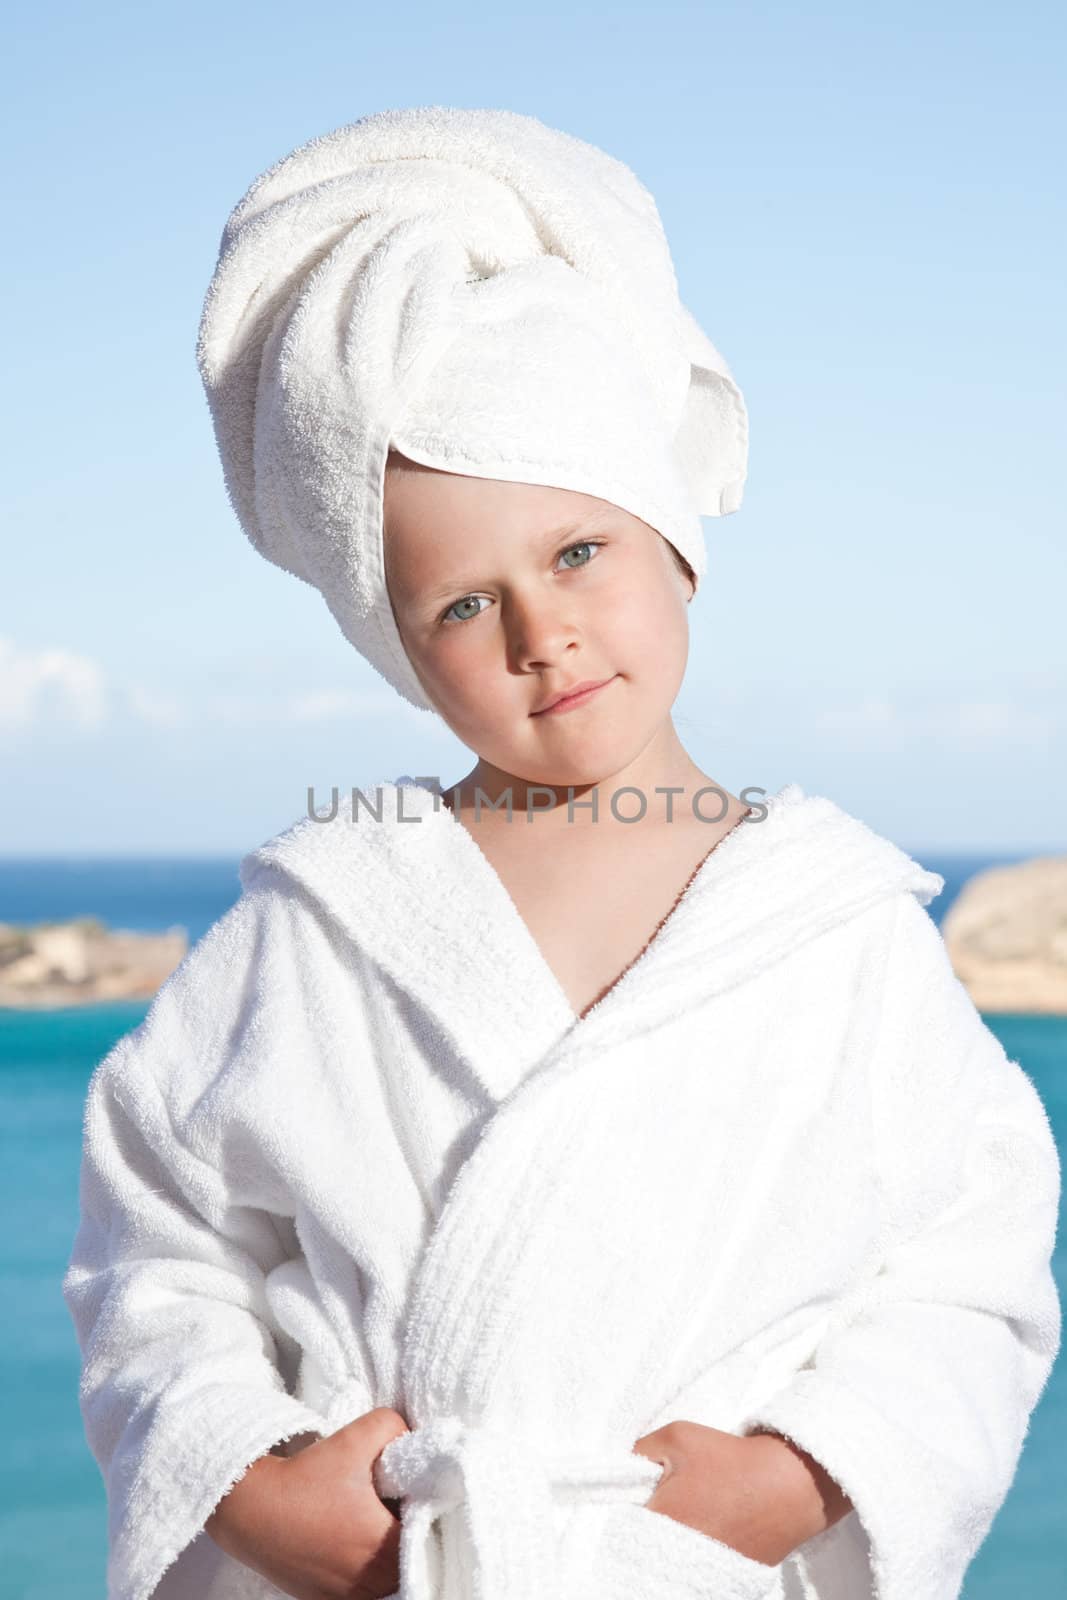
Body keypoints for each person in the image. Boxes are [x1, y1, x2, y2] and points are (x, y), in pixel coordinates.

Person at [63, 107, 1061, 1600]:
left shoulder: (834, 927)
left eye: (578, 552)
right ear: (399, 651)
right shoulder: (328, 916)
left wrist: (805, 1472)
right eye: (462, 607)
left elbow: (969, 1266)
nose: (543, 634)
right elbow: (155, 1240)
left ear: (672, 536)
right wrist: (250, 1483)